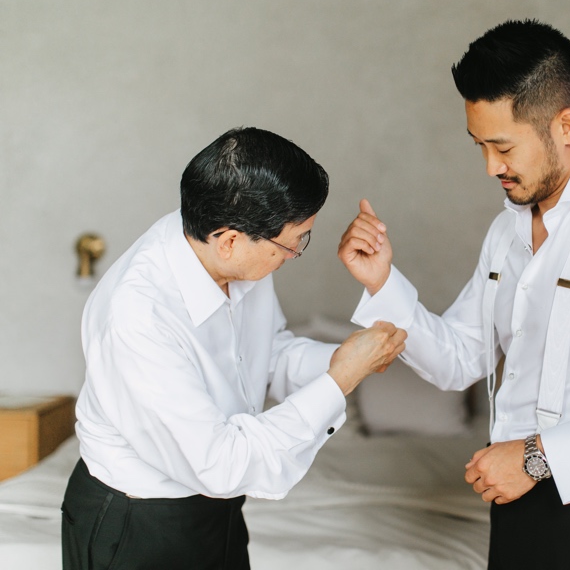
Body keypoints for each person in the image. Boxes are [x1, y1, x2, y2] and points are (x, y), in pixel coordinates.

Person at [338, 19, 570, 569]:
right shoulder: (507, 230)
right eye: (480, 146)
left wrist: (537, 460)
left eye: (502, 146)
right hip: (512, 504)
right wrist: (381, 282)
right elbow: (458, 359)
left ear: (566, 125)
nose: (491, 166)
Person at [62, 127, 407, 570]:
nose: (294, 253)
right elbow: (221, 463)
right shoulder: (138, 317)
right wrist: (341, 380)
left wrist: (343, 360)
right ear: (229, 240)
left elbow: (264, 353)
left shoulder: (227, 254)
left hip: (217, 507)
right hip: (138, 520)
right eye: (293, 241)